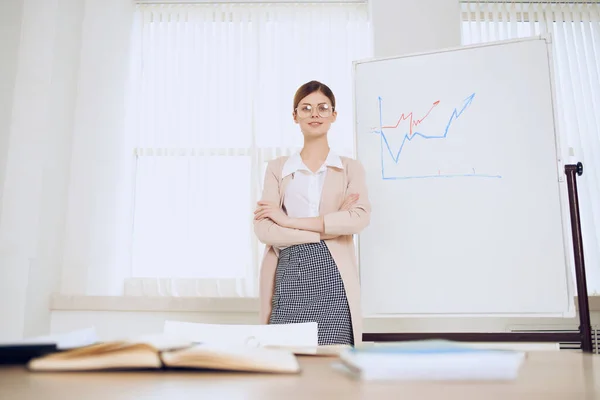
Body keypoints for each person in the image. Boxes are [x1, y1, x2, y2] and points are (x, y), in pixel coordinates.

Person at [253, 80, 371, 346]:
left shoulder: (350, 168)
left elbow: (358, 219)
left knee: (332, 368)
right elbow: (264, 230)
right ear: (295, 116)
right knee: (283, 358)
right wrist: (326, 231)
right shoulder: (277, 167)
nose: (314, 114)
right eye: (306, 108)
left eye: (322, 108)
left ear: (334, 115)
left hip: (334, 276)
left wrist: (287, 220)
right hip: (288, 272)